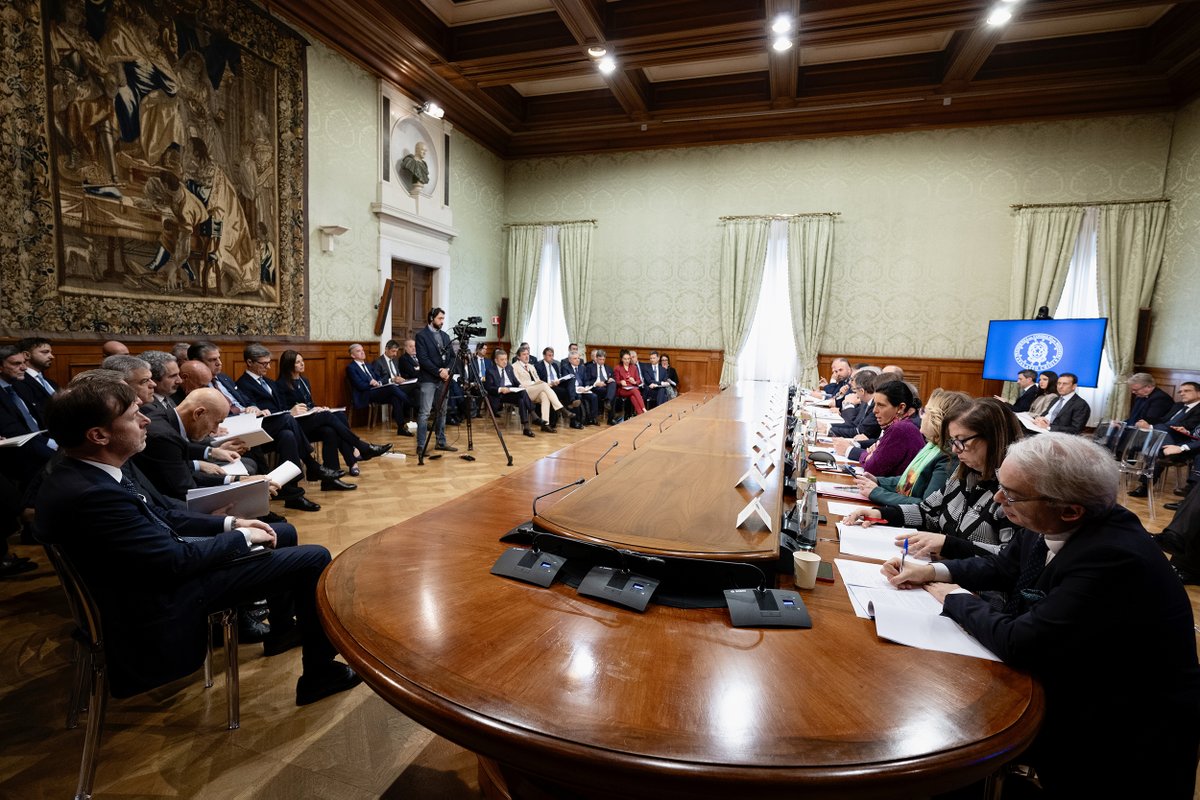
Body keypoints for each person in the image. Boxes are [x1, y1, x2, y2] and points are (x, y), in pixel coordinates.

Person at [881, 433, 1200, 798]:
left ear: (1070, 509)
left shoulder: (1114, 558)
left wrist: (952, 597)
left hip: (1123, 736)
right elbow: (1003, 568)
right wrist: (934, 573)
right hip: (1072, 686)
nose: (999, 501)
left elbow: (1020, 641)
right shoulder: (1052, 522)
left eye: (1011, 495)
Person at [35, 379, 362, 706]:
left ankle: (284, 632)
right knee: (314, 558)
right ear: (98, 435)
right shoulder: (96, 495)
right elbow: (175, 560)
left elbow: (163, 513)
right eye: (134, 416)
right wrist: (241, 537)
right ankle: (319, 675)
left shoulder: (83, 470)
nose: (146, 419)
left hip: (151, 573)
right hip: (160, 597)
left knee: (284, 534)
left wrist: (231, 522)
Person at [845, 397, 1023, 560]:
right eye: (953, 441)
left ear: (992, 438)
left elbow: (1009, 559)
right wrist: (880, 513)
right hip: (942, 574)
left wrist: (946, 545)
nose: (954, 449)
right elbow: (928, 512)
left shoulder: (1013, 492)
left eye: (961, 441)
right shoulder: (962, 475)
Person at [854, 389, 972, 507]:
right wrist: (878, 481)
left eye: (925, 412)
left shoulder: (948, 456)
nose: (921, 417)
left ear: (937, 419)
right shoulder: (931, 446)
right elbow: (911, 481)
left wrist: (877, 492)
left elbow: (927, 506)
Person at [833, 381, 924, 478]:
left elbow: (872, 468)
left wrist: (870, 455)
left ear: (901, 407)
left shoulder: (901, 428)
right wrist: (871, 454)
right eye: (875, 404)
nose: (874, 410)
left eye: (881, 405)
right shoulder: (901, 424)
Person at [414, 307, 457, 455]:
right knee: (425, 413)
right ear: (432, 318)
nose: (442, 321)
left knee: (442, 411)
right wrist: (439, 371)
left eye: (443, 319)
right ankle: (421, 445)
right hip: (428, 379)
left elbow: (452, 356)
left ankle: (441, 442)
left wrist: (447, 370)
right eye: (440, 318)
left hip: (444, 379)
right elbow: (423, 359)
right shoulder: (421, 336)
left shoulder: (445, 336)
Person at [345, 343, 412, 437]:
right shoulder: (351, 368)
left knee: (394, 397)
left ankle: (401, 428)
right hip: (365, 394)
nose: (362, 352)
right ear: (353, 355)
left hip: (376, 391)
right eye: (358, 351)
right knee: (392, 387)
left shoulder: (368, 365)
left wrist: (378, 383)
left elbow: (378, 378)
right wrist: (370, 383)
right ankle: (410, 403)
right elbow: (359, 385)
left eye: (362, 350)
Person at [483, 349, 535, 437]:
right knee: (522, 396)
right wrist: (500, 389)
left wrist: (519, 386)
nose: (505, 362)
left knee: (522, 395)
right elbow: (488, 388)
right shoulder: (490, 370)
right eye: (502, 360)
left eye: (506, 359)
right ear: (496, 361)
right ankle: (532, 417)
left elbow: (515, 381)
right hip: (500, 395)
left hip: (511, 392)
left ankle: (526, 427)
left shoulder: (509, 368)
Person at [512, 345, 563, 432]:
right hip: (524, 392)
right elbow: (517, 383)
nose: (527, 356)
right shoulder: (514, 367)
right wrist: (534, 384)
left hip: (534, 391)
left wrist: (546, 384)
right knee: (543, 385)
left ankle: (545, 424)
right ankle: (561, 408)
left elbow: (538, 380)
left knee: (544, 395)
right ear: (518, 357)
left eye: (528, 354)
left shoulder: (531, 366)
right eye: (524, 354)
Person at [826, 370, 880, 441]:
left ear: (862, 391)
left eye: (854, 390)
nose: (855, 394)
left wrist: (829, 430)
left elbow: (858, 431)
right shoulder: (866, 402)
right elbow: (854, 425)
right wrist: (828, 427)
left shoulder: (875, 407)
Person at [612, 349, 646, 418]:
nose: (627, 361)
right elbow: (616, 381)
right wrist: (621, 382)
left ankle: (640, 414)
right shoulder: (617, 368)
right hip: (622, 390)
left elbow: (639, 380)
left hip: (631, 388)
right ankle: (644, 409)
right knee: (635, 391)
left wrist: (634, 382)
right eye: (625, 359)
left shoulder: (634, 367)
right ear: (621, 359)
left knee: (633, 396)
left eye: (628, 359)